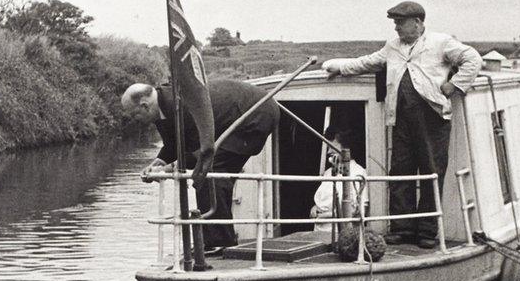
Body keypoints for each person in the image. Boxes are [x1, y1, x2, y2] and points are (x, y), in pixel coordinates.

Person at [322, 1, 482, 248]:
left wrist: (457, 85)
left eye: (400, 22)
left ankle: (428, 232)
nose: (395, 28)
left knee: (431, 171)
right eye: (395, 23)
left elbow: (472, 58)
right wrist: (340, 67)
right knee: (400, 172)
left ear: (417, 23)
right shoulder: (392, 47)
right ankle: (402, 228)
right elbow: (367, 62)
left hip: (432, 117)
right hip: (400, 118)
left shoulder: (441, 43)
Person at [121, 79, 280, 250]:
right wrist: (158, 163)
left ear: (145, 105)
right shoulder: (162, 106)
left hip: (256, 114)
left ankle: (219, 243)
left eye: (135, 115)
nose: (135, 121)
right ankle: (220, 240)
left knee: (209, 172)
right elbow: (174, 144)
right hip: (234, 116)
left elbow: (201, 153)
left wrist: (167, 169)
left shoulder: (182, 107)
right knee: (214, 173)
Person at [310, 126, 369, 234]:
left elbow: (359, 211)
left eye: (332, 147)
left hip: (340, 232)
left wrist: (327, 215)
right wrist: (314, 208)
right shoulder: (328, 173)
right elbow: (323, 201)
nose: (328, 152)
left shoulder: (358, 173)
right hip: (319, 231)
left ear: (346, 148)